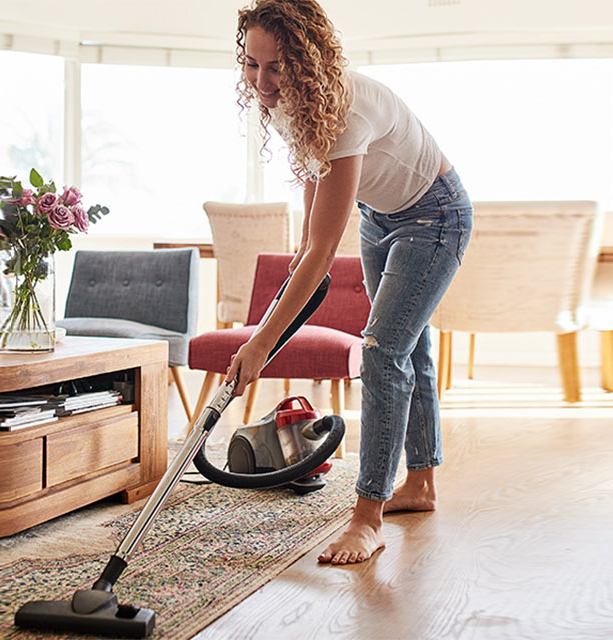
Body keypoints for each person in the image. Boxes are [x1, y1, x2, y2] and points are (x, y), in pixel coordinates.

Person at [225, 0, 471, 565]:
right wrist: (300, 253)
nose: (261, 82)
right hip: (379, 217)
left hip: (435, 216)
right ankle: (421, 483)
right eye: (252, 65)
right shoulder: (289, 101)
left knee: (383, 353)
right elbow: (315, 198)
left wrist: (260, 343)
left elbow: (322, 251)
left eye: (276, 67)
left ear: (306, 61)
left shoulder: (343, 108)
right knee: (411, 346)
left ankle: (367, 519)